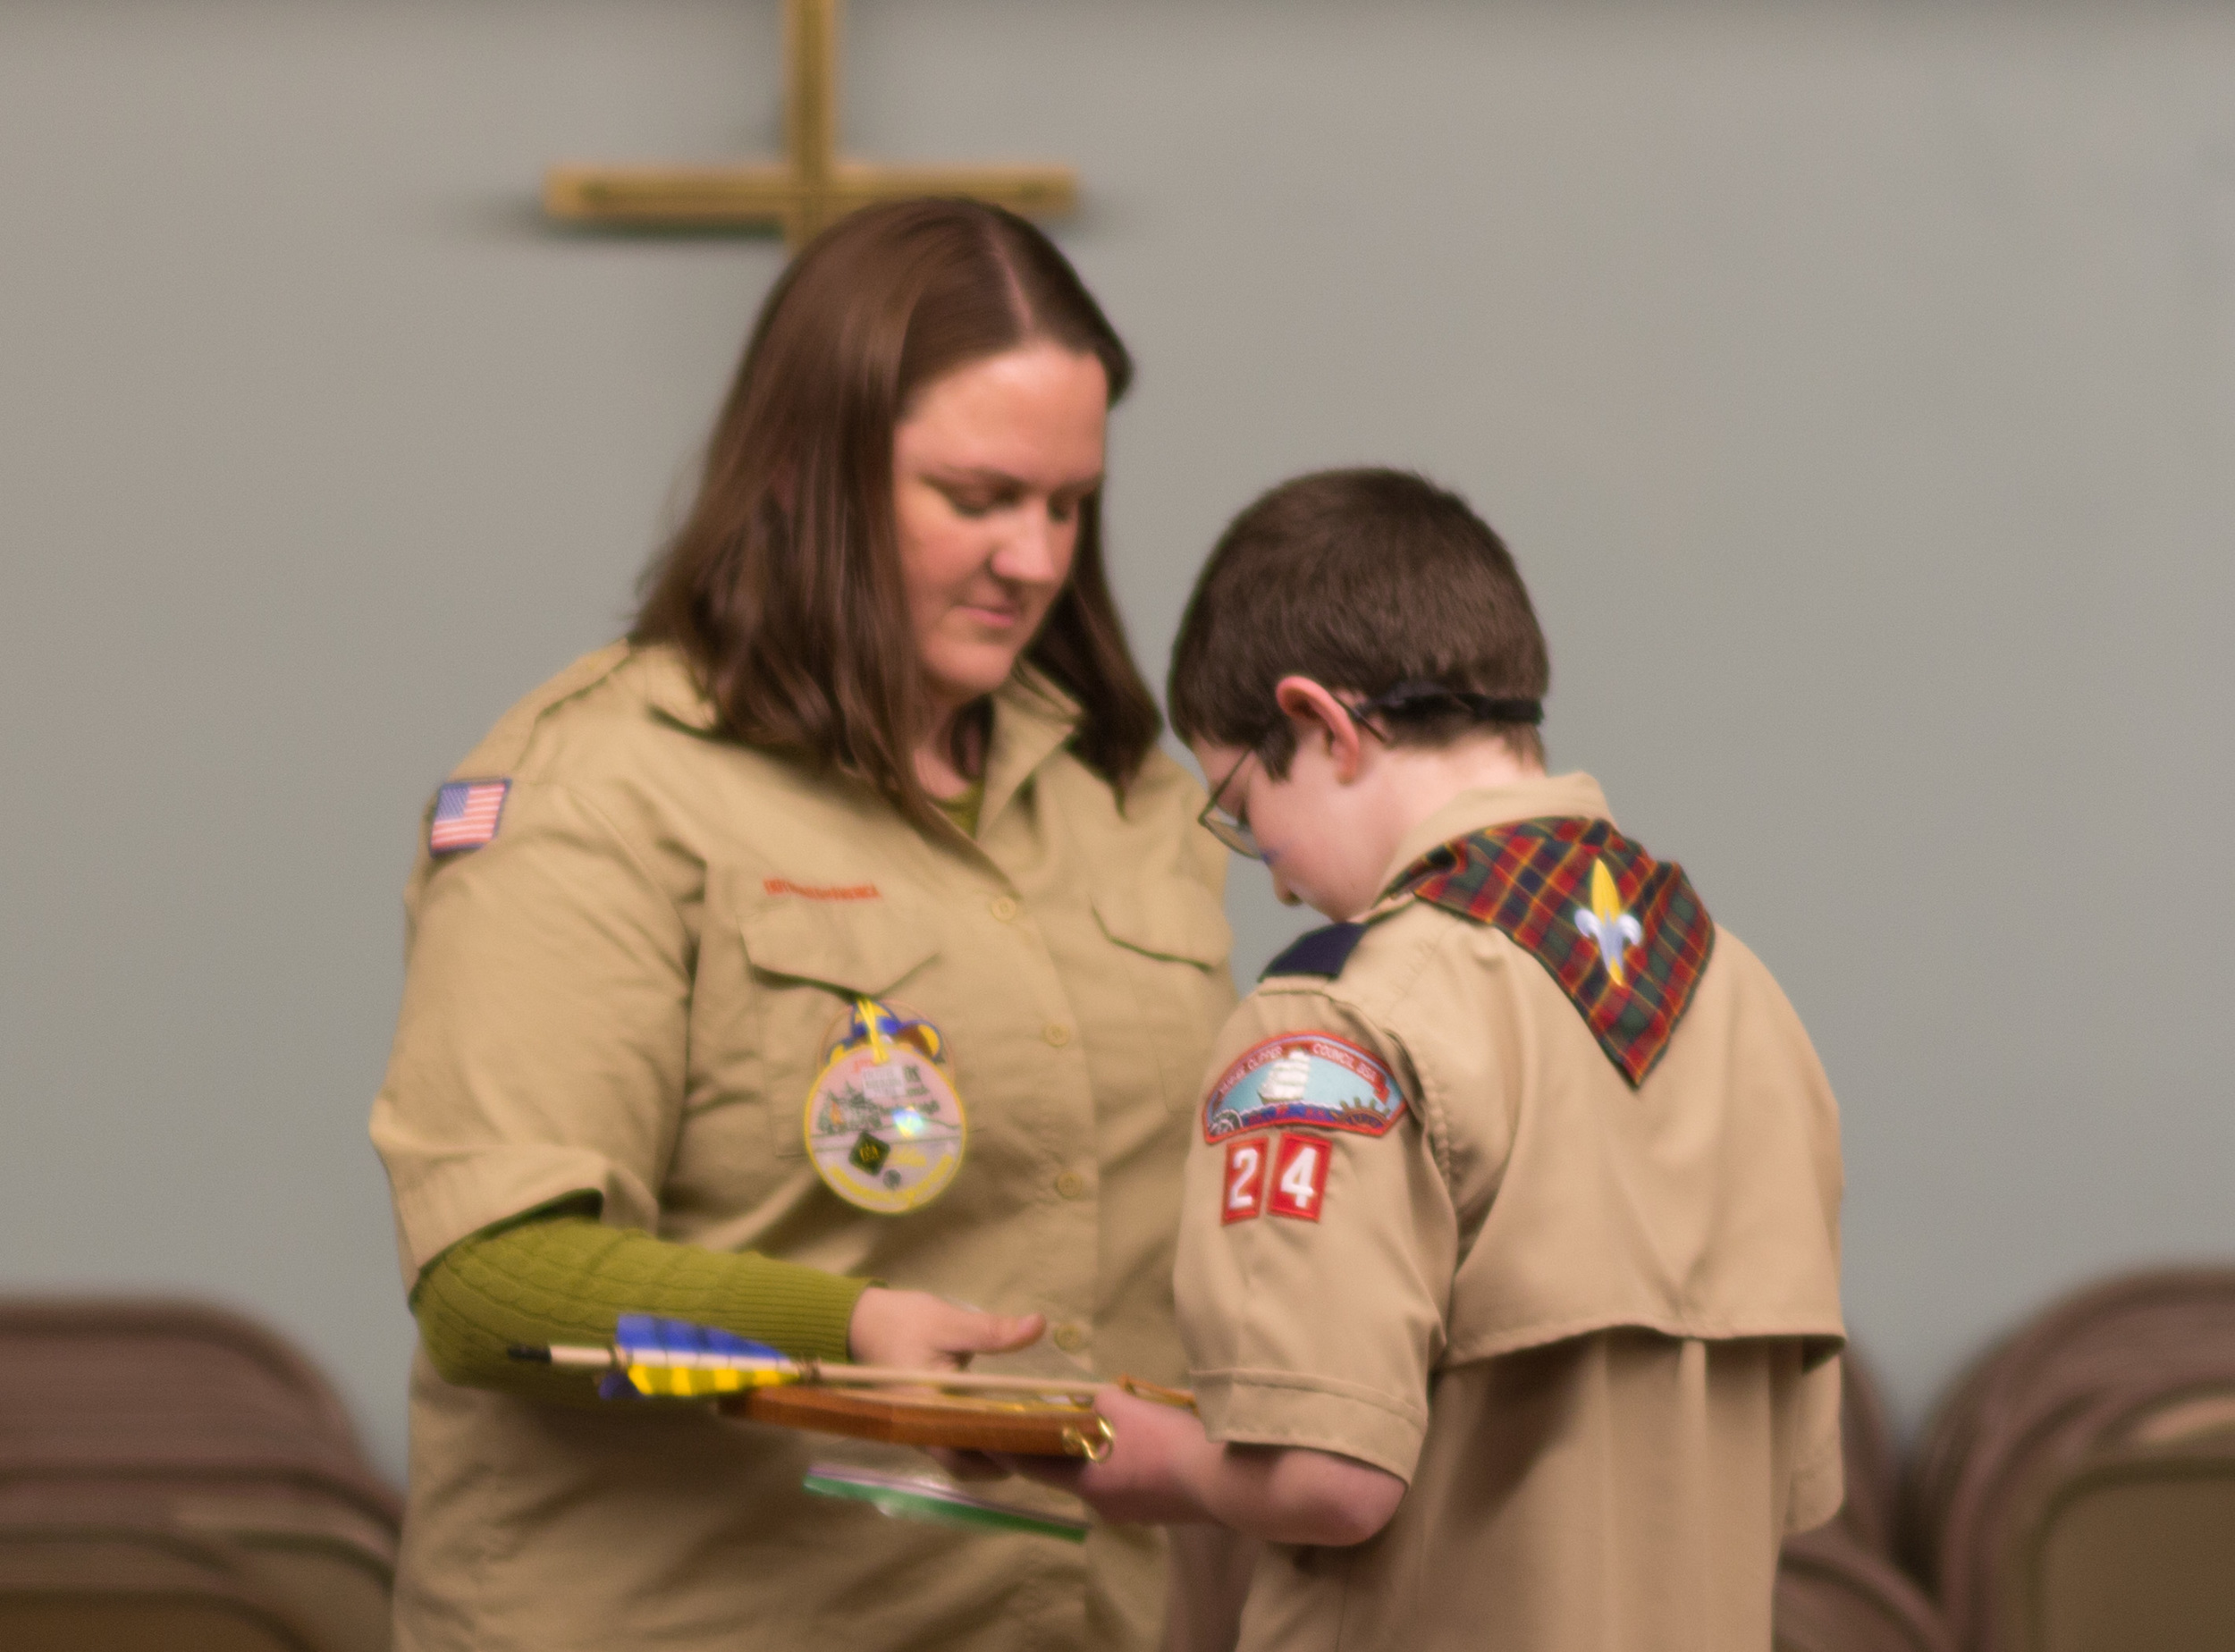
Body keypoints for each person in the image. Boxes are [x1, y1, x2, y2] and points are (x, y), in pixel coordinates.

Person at [368, 199, 1236, 1652]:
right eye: (978, 497)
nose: (1035, 558)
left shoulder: (1124, 791)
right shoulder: (598, 789)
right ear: (811, 476)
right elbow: (494, 1285)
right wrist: (842, 1335)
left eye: (1067, 503)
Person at [1017, 468, 1847, 1649]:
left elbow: (1325, 1476)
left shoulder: (1342, 1016)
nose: (1278, 876)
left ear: (1321, 726)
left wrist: (1153, 1459)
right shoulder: (1747, 1000)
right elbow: (1794, 1489)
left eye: (1246, 811)